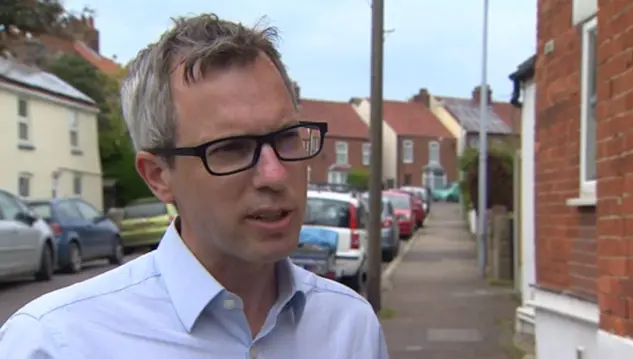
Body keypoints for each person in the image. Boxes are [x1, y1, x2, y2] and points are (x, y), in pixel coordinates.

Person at [0, 13, 389, 359]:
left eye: (287, 138)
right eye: (231, 149)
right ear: (158, 176)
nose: (274, 175)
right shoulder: (55, 342)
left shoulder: (350, 326)